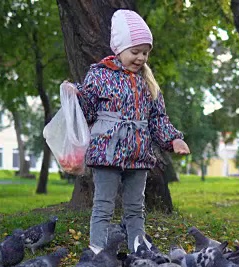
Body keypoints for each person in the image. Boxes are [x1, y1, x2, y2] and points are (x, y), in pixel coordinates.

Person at [66, 9, 190, 253]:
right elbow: (89, 111)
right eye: (135, 52)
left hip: (139, 153)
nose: (141, 58)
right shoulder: (100, 75)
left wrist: (173, 139)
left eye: (145, 52)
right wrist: (77, 96)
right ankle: (98, 252)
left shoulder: (148, 82)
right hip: (107, 151)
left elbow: (157, 117)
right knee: (103, 204)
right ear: (119, 49)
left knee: (136, 206)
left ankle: (138, 251)